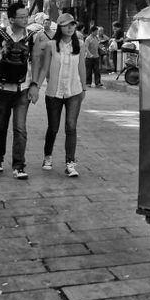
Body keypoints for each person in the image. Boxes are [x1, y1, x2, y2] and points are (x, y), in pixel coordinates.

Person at [0, 1, 43, 179]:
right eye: (21, 17)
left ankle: (19, 165)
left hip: (23, 89)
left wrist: (35, 84)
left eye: (26, 16)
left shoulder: (32, 37)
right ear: (11, 18)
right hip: (3, 89)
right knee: (1, 126)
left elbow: (36, 61)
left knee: (20, 129)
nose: (24, 19)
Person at [35, 13, 87, 177]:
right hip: (53, 92)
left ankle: (70, 163)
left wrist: (84, 88)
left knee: (71, 127)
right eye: (66, 25)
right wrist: (35, 86)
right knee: (53, 127)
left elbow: (82, 67)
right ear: (60, 27)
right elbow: (44, 68)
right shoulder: (51, 45)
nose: (70, 27)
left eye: (73, 24)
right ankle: (47, 156)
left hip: (74, 91)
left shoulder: (80, 44)